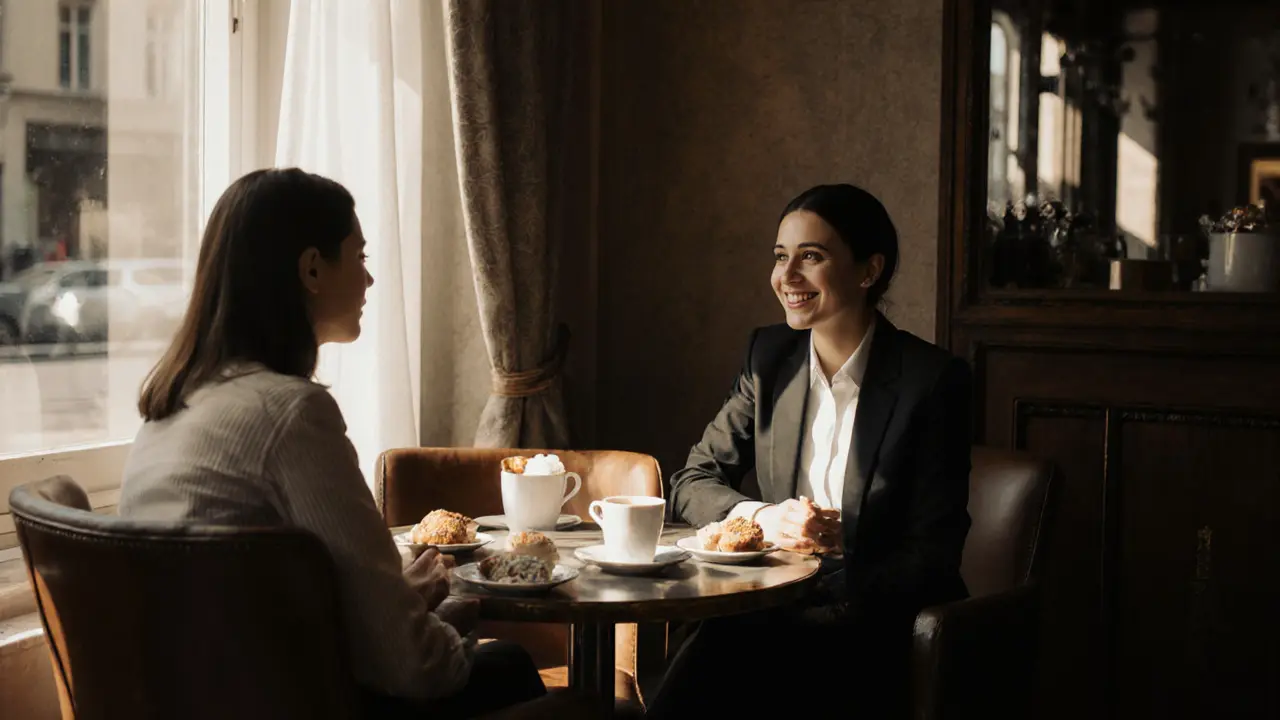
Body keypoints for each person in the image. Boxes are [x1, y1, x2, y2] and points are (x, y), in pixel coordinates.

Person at [117, 169, 546, 718]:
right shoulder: (290, 414)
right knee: (509, 664)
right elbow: (415, 669)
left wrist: (394, 606)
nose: (369, 281)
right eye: (360, 257)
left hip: (198, 695)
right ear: (312, 268)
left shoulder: (172, 407)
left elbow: (258, 613)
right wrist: (448, 617)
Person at [647, 184, 973, 718]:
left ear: (868, 271)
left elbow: (935, 556)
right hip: (770, 605)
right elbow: (693, 479)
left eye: (811, 257)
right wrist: (764, 518)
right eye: (781, 257)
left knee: (728, 648)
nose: (787, 277)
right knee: (721, 639)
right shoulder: (768, 358)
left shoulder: (932, 381)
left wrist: (837, 560)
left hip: (874, 617)